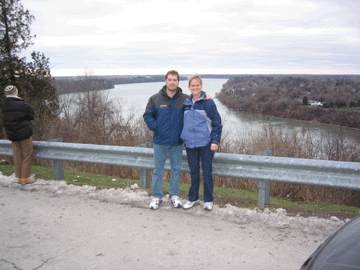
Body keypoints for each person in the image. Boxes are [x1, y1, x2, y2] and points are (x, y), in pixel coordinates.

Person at [143, 70, 187, 210]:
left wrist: (207, 98)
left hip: (177, 142)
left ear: (178, 82)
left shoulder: (185, 99)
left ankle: (174, 196)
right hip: (160, 141)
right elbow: (147, 115)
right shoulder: (155, 99)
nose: (172, 82)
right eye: (170, 79)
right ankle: (157, 197)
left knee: (175, 170)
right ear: (166, 81)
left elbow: (195, 110)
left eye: (175, 80)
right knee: (158, 170)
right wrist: (156, 127)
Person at [180, 75, 222, 211]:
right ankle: (193, 198)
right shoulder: (186, 103)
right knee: (194, 173)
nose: (195, 87)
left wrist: (215, 140)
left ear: (201, 86)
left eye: (197, 85)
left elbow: (217, 123)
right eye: (192, 85)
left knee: (207, 173)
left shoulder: (208, 102)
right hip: (191, 145)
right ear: (189, 87)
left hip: (206, 144)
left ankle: (208, 200)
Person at [2, 85, 36, 185]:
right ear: (16, 93)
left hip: (11, 133)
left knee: (17, 155)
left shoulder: (4, 105)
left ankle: (19, 176)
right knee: (27, 154)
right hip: (23, 133)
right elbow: (32, 115)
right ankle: (24, 177)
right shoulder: (22, 105)